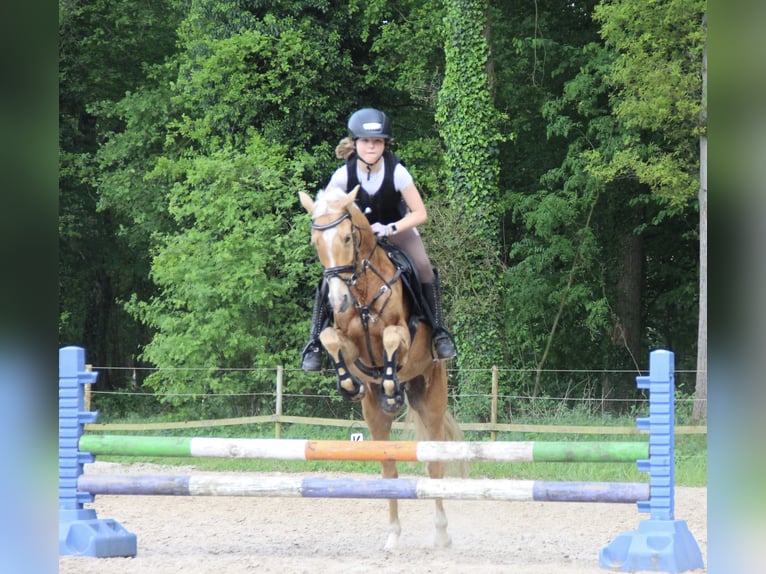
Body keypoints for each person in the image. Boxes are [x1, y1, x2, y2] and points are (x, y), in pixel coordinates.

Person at [301, 107, 457, 371]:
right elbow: (327, 212)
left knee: (423, 268)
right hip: (358, 241)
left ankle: (439, 333)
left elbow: (420, 213)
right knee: (329, 278)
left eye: (377, 141)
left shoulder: (397, 172)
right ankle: (315, 341)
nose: (371, 146)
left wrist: (390, 228)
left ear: (384, 143)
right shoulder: (342, 175)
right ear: (355, 143)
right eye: (365, 141)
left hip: (398, 231)